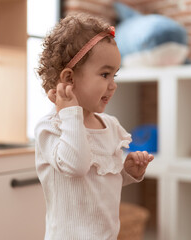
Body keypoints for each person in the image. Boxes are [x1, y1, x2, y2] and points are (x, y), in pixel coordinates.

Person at [35, 12, 154, 240]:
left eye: (114, 75)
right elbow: (77, 166)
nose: (113, 85)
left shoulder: (109, 125)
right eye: (105, 74)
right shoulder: (50, 127)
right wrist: (71, 113)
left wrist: (126, 172)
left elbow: (100, 180)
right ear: (69, 79)